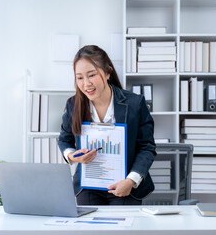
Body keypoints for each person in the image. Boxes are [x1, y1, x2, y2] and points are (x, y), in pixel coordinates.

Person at [58, 45, 156, 205]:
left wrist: (131, 181)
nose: (86, 84)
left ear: (108, 72)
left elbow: (147, 147)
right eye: (80, 78)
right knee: (87, 227)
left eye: (91, 75)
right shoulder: (73, 104)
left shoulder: (134, 104)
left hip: (124, 184)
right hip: (88, 185)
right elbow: (64, 140)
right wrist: (72, 155)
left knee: (121, 228)